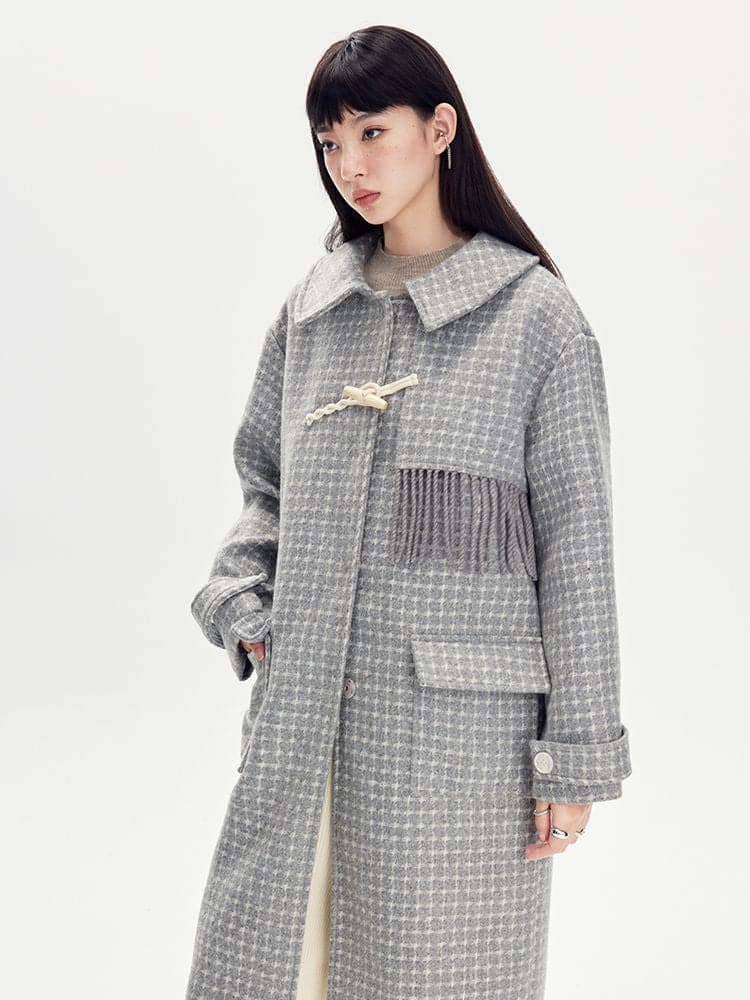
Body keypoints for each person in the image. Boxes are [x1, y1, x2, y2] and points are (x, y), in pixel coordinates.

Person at [185, 24, 632, 1000]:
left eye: (371, 132)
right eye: (329, 142)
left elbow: (578, 549)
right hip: (304, 715)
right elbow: (265, 486)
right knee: (276, 964)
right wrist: (243, 603)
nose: (349, 166)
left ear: (440, 129)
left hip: (461, 742)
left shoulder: (536, 320)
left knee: (432, 971)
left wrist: (576, 759)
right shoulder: (314, 311)